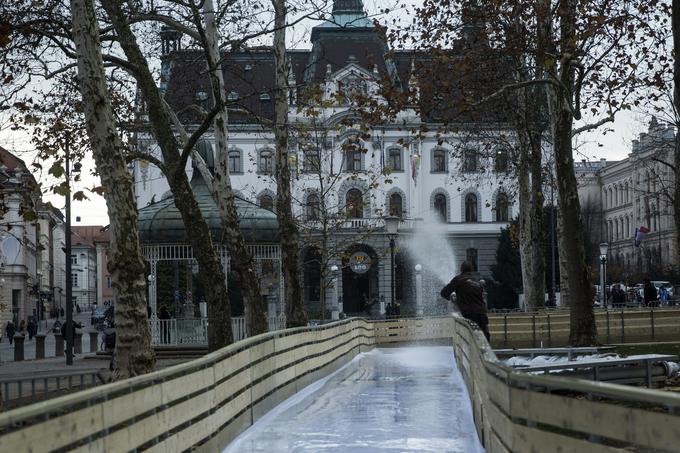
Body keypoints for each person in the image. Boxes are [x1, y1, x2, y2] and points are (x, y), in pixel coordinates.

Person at [440, 261, 490, 341]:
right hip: (482, 313)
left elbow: (444, 293)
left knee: (470, 339)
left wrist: (453, 299)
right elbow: (479, 296)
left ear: (461, 269)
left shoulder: (458, 279)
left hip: (468, 313)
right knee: (484, 338)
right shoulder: (477, 280)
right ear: (471, 269)